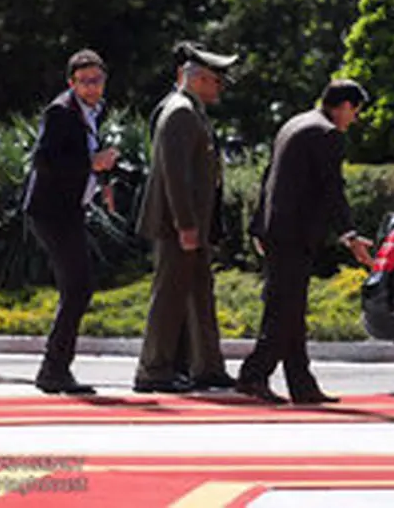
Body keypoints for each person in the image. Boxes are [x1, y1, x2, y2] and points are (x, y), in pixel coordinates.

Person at [236, 80, 375, 404]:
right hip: (293, 233)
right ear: (343, 106)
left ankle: (301, 383)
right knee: (285, 310)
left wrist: (258, 226)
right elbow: (332, 189)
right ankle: (254, 374)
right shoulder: (326, 134)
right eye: (354, 111)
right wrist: (350, 235)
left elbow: (268, 177)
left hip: (278, 231)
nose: (353, 119)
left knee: (288, 308)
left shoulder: (294, 124)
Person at [134, 43, 239, 393]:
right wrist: (186, 225)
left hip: (192, 222)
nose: (220, 89)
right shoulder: (180, 112)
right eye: (216, 81)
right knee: (170, 296)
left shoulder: (190, 110)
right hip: (179, 224)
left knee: (198, 293)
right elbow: (175, 176)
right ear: (200, 79)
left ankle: (207, 367)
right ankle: (154, 370)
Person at [23, 49, 119, 394]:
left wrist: (103, 183)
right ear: (72, 83)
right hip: (51, 211)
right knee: (78, 287)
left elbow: (95, 152)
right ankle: (53, 369)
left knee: (77, 287)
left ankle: (55, 367)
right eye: (84, 82)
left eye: (97, 80)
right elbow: (44, 161)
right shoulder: (60, 112)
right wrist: (92, 164)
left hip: (71, 208)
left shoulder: (96, 110)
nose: (92, 88)